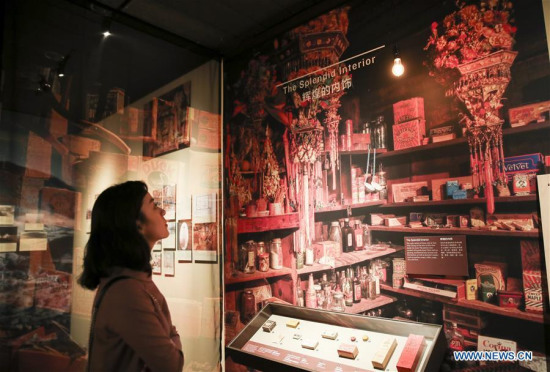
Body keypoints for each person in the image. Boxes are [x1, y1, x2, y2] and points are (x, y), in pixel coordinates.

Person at [79, 181, 184, 372]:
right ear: (137, 224)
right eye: (154, 206)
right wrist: (171, 335)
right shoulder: (126, 291)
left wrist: (169, 335)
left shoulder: (133, 281)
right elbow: (172, 364)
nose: (163, 212)